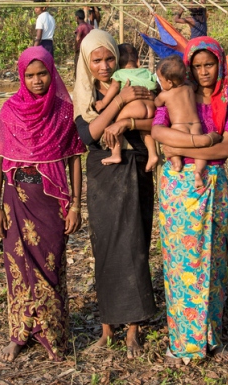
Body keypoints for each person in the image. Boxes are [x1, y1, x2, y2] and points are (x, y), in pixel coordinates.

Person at [0, 46, 85, 362]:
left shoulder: (63, 111)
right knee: (18, 267)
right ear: (21, 76)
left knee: (50, 266)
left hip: (51, 202)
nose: (36, 80)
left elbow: (73, 160)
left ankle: (52, 334)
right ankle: (20, 333)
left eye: (42, 73)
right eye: (29, 75)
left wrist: (74, 206)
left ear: (52, 72)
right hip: (16, 199)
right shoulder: (9, 111)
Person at [151, 37, 228, 363]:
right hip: (178, 188)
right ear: (189, 67)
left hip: (213, 184)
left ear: (220, 64)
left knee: (215, 264)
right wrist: (199, 142)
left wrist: (180, 148)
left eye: (210, 64)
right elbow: (159, 134)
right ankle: (182, 342)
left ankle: (210, 339)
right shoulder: (178, 94)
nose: (204, 71)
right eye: (198, 65)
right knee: (180, 265)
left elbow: (226, 149)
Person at [73, 30, 157, 357]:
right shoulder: (87, 93)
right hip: (103, 171)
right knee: (105, 245)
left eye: (109, 58)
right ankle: (107, 327)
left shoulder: (134, 80)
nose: (105, 66)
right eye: (97, 60)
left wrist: (128, 122)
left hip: (135, 166)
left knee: (135, 244)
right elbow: (88, 135)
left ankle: (133, 329)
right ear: (86, 62)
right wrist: (120, 101)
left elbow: (157, 118)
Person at [96, 43, 160, 170]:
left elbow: (114, 88)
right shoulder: (147, 72)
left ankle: (115, 154)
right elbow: (156, 86)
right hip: (150, 108)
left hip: (135, 107)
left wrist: (103, 103)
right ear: (138, 61)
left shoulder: (119, 73)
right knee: (146, 131)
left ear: (118, 63)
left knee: (117, 122)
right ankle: (153, 154)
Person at [153, 54, 207, 189]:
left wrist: (156, 94)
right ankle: (198, 172)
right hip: (196, 126)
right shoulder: (189, 88)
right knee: (200, 151)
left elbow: (157, 103)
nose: (160, 83)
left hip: (179, 126)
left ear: (169, 82)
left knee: (173, 146)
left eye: (160, 80)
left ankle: (177, 163)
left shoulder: (165, 95)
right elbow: (194, 87)